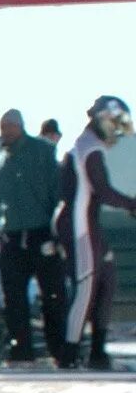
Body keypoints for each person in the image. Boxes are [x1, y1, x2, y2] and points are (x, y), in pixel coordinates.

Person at [0, 109, 62, 365]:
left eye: (10, 126)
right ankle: (22, 352)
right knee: (14, 300)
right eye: (3, 127)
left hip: (41, 232)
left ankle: (61, 351)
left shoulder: (42, 152)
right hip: (11, 236)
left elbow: (58, 193)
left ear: (20, 126)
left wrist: (59, 231)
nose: (6, 132)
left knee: (53, 296)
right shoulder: (0, 162)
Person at [54, 96, 136, 370]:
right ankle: (69, 352)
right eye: (115, 124)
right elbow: (102, 190)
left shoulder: (89, 145)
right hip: (79, 226)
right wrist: (131, 204)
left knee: (106, 281)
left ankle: (98, 351)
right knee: (86, 288)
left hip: (88, 223)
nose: (116, 132)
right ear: (103, 119)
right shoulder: (89, 148)